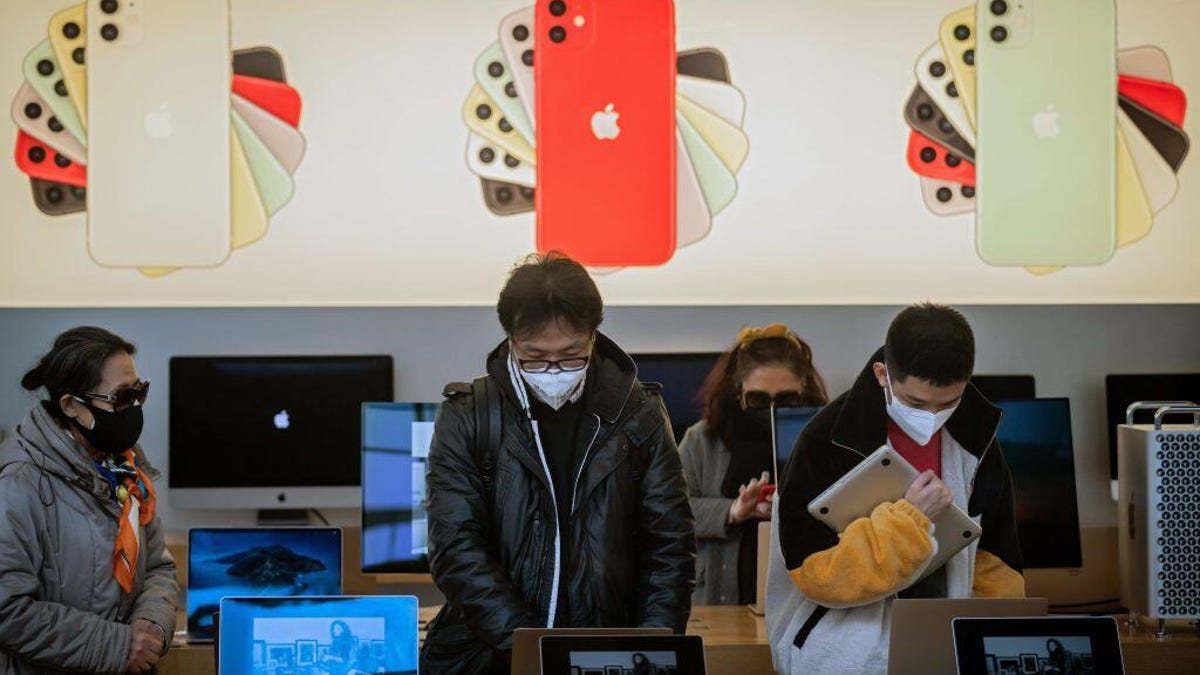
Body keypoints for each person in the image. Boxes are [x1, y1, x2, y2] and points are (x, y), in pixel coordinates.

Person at [422, 253, 695, 674]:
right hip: (490, 656)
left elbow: (669, 545)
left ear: (593, 336)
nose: (553, 371)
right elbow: (456, 547)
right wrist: (534, 652)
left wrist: (651, 650)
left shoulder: (638, 412)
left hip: (610, 652)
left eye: (571, 356)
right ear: (510, 339)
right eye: (534, 357)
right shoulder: (469, 415)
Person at [765, 303, 1024, 674]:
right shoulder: (826, 439)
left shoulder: (977, 440)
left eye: (949, 402)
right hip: (841, 655)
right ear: (883, 374)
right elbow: (817, 573)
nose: (932, 416)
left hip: (942, 648)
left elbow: (996, 562)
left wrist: (992, 645)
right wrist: (909, 520)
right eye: (916, 402)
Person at [0, 326, 178, 674]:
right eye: (122, 398)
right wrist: (120, 646)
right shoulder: (19, 482)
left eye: (139, 392)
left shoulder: (126, 468)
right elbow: (6, 608)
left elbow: (159, 566)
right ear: (71, 407)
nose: (135, 408)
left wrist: (152, 626)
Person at [678, 324, 828, 605]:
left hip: (800, 595)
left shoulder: (820, 438)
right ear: (738, 390)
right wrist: (733, 511)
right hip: (719, 595)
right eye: (757, 399)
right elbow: (671, 512)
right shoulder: (702, 439)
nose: (771, 410)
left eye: (786, 400)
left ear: (803, 390)